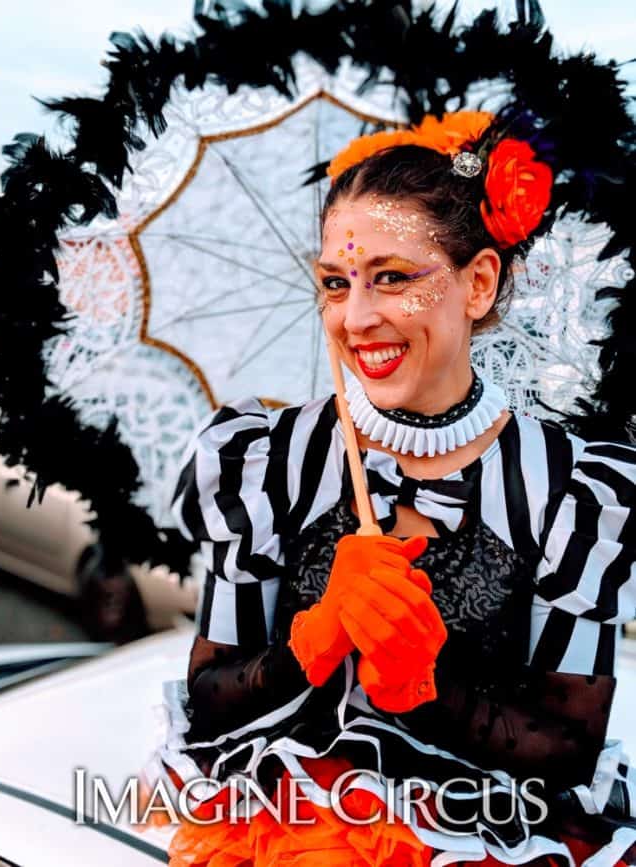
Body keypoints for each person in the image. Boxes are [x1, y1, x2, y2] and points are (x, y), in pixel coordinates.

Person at [155, 111, 636, 866]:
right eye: (335, 283)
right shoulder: (271, 459)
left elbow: (569, 749)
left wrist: (425, 690)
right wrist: (309, 647)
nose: (355, 317)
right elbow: (209, 702)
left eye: (392, 278)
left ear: (478, 282)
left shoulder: (568, 487)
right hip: (285, 834)